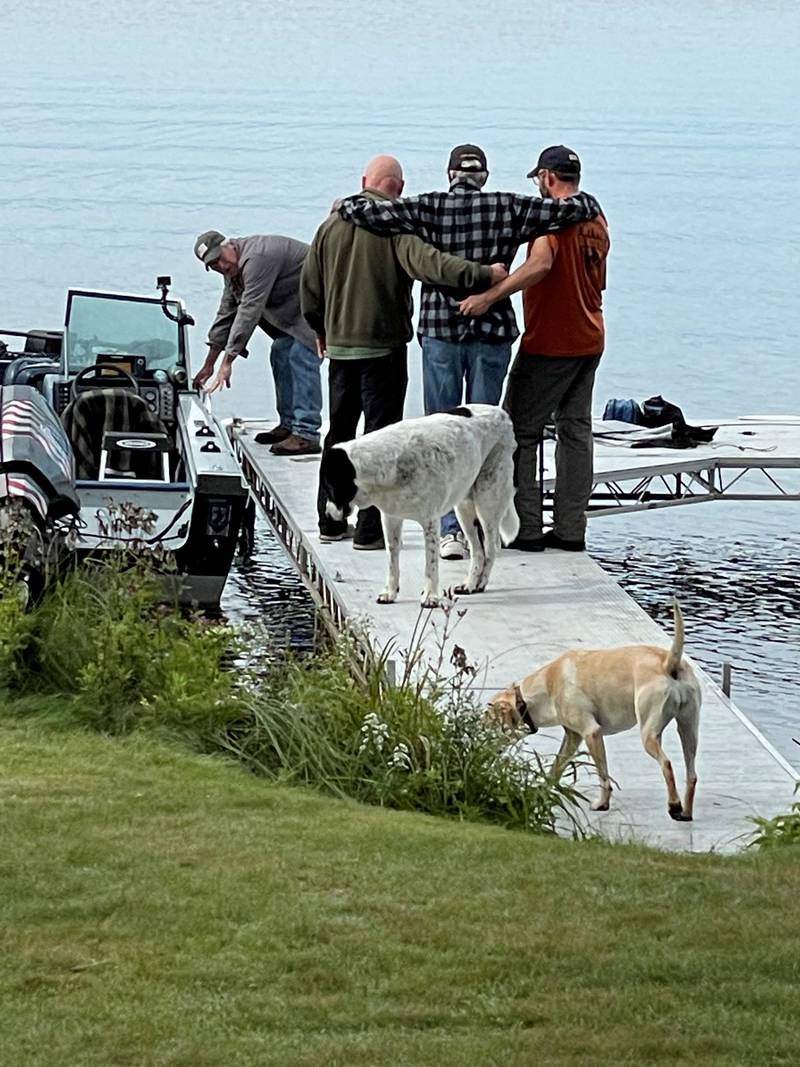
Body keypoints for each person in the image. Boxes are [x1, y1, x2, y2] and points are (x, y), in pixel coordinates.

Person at [336, 144, 602, 560]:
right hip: (492, 332)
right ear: (485, 177)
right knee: (482, 435)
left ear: (449, 174)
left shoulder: (427, 207)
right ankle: (480, 524)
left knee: (439, 435)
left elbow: (366, 213)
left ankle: (447, 532)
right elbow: (576, 209)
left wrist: (349, 201)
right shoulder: (510, 207)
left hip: (441, 331)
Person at [301, 154, 506, 550]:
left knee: (339, 434)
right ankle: (369, 531)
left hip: (341, 349)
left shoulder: (329, 226)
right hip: (383, 351)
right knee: (379, 441)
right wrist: (485, 275)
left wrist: (321, 330)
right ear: (399, 188)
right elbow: (432, 265)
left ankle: (329, 520)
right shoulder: (393, 225)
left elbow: (310, 286)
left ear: (366, 181)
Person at [459, 146, 610, 553]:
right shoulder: (597, 219)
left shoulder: (554, 221)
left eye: (537, 180)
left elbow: (540, 264)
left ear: (546, 177)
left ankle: (525, 529)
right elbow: (599, 281)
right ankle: (570, 529)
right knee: (575, 431)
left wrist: (491, 295)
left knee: (519, 432)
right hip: (591, 336)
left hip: (551, 342)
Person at [193, 231, 323, 455]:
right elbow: (227, 314)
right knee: (281, 350)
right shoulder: (232, 271)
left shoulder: (257, 258)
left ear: (229, 245)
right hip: (296, 310)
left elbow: (249, 311)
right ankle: (289, 424)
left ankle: (306, 433)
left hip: (322, 301)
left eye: (220, 259)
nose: (221, 266)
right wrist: (209, 364)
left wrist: (228, 362)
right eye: (213, 265)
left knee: (300, 354)